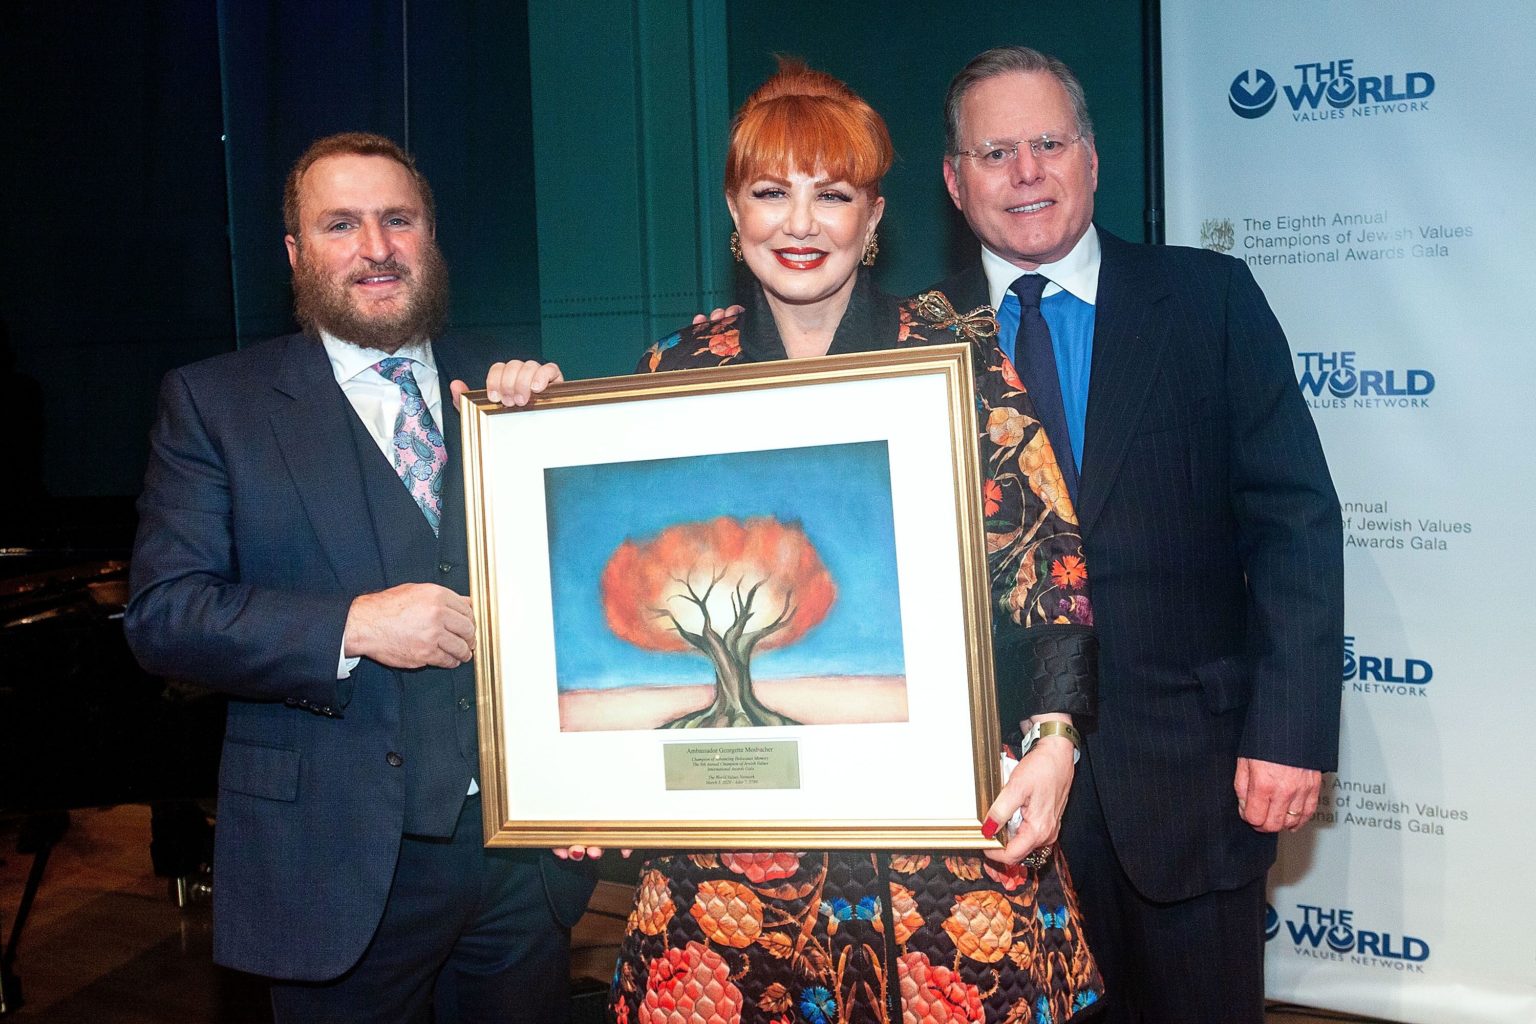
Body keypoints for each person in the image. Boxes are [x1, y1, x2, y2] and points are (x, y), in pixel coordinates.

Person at [590, 59, 1104, 1024]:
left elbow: (1049, 572)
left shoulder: (958, 356)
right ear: (733, 214)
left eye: (832, 195)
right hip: (727, 856)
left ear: (873, 220)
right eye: (770, 193)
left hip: (939, 838)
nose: (800, 223)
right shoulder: (674, 372)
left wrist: (1055, 745)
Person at [124, 132, 593, 1023]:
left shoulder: (509, 384)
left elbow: (584, 592)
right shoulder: (216, 403)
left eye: (397, 220)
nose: (375, 248)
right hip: (333, 864)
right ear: (296, 253)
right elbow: (164, 615)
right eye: (340, 225)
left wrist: (561, 436)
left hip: (521, 870)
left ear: (430, 237)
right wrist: (354, 627)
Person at [933, 46, 1343, 1023]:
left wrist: (1289, 733)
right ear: (954, 181)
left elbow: (1294, 522)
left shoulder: (1210, 301)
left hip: (1194, 788)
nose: (1026, 172)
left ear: (1091, 157)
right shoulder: (915, 340)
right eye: (995, 152)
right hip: (990, 808)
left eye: (1048, 143)